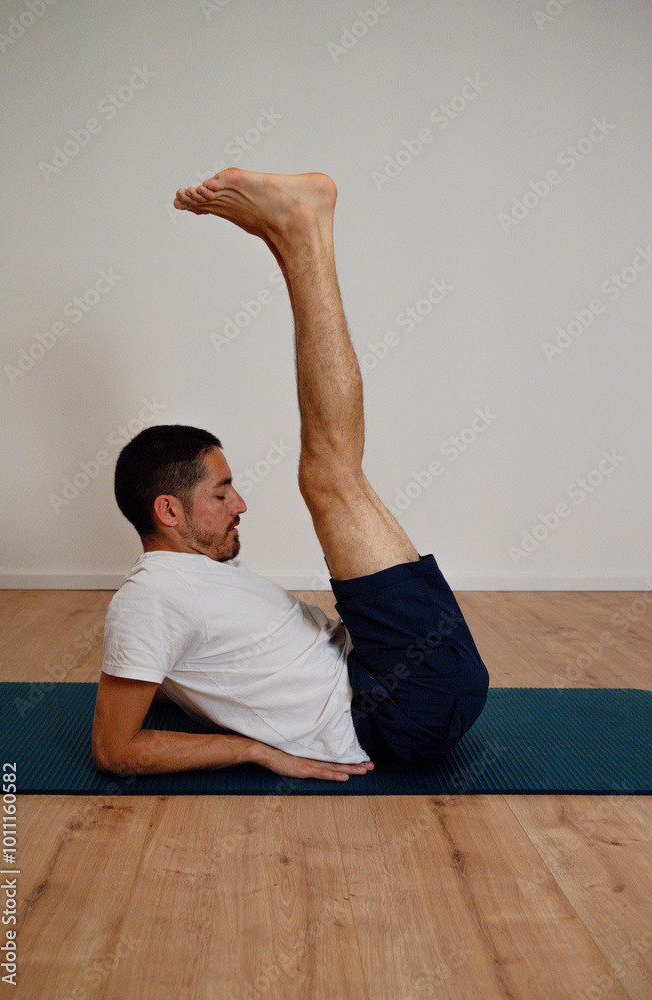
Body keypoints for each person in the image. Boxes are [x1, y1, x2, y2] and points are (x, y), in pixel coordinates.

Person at [92, 168, 489, 782]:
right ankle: (302, 230)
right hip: (400, 705)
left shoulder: (184, 583)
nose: (241, 504)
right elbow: (116, 751)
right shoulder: (149, 602)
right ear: (167, 511)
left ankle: (293, 234)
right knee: (329, 474)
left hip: (393, 677)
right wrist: (253, 748)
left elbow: (191, 672)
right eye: (220, 493)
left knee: (334, 474)